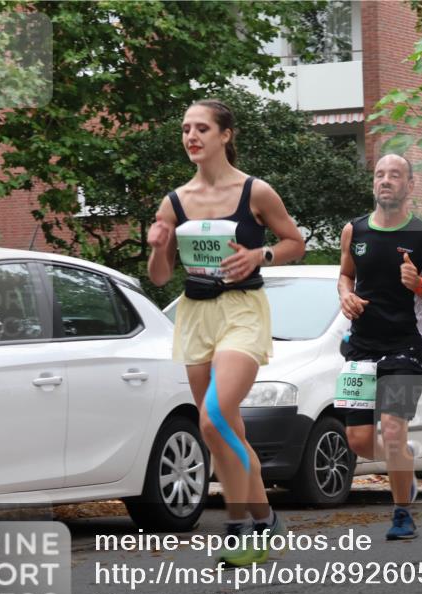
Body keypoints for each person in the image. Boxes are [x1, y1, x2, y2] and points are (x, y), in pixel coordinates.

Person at [147, 99, 305, 566]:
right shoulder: (174, 201)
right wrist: (158, 247)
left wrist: (261, 256)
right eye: (185, 129)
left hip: (242, 310)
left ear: (225, 135)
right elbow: (160, 277)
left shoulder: (255, 192)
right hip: (195, 315)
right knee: (223, 432)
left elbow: (295, 242)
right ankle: (266, 521)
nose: (191, 137)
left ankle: (238, 526)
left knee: (213, 416)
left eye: (201, 128)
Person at [338, 153, 422, 540]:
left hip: (405, 346)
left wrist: (419, 284)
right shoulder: (353, 230)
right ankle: (405, 466)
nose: (386, 180)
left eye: (395, 175)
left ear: (409, 186)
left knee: (392, 429)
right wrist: (345, 296)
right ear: (374, 183)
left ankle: (402, 513)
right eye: (380, 174)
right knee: (358, 441)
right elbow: (344, 275)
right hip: (360, 346)